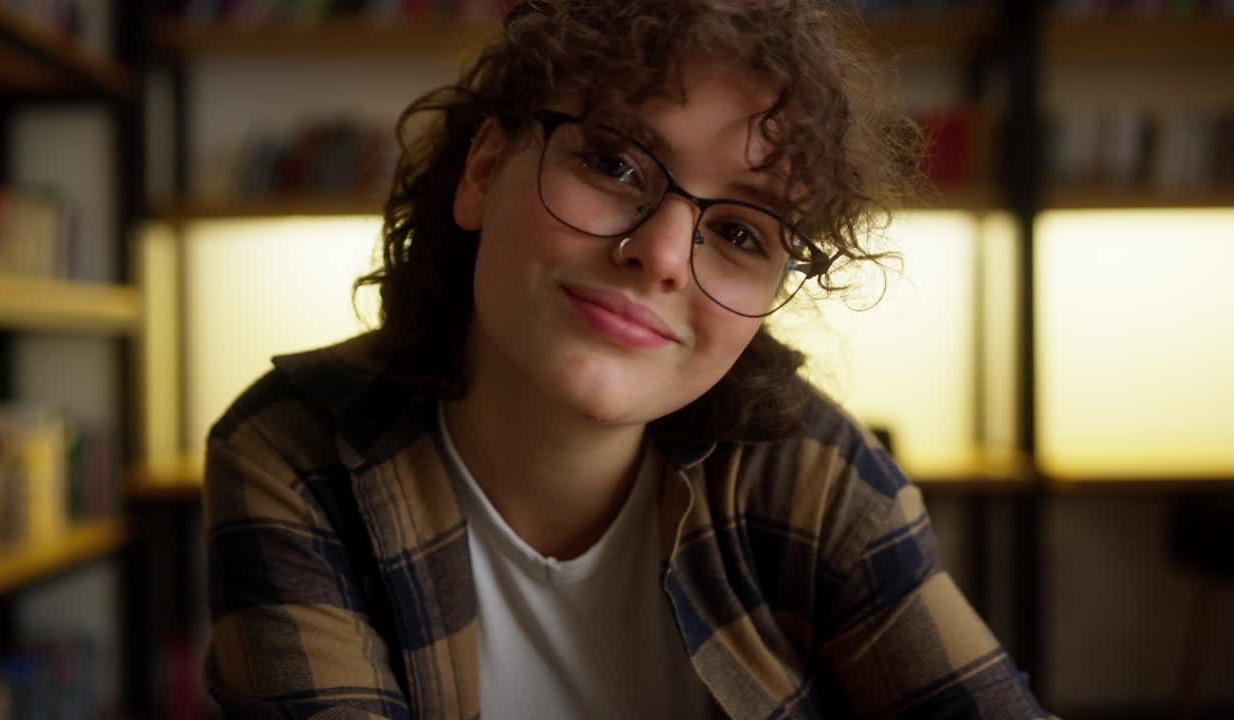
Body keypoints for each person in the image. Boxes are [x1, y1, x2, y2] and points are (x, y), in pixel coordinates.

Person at [203, 1, 1054, 718]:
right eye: (613, 163)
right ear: (485, 170)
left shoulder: (819, 477)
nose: (663, 256)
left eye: (738, 232)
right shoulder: (297, 449)